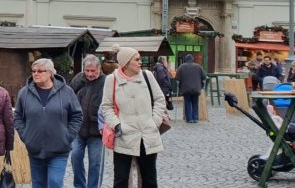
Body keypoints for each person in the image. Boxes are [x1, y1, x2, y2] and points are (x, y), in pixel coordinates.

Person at [101, 46, 167, 188]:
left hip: (147, 134)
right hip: (124, 135)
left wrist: (154, 121)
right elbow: (106, 107)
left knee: (149, 179)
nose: (140, 62)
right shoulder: (111, 80)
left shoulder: (147, 76)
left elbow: (160, 100)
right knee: (121, 180)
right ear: (125, 63)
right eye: (136, 60)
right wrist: (117, 125)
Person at [14, 58, 83, 188]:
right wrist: (26, 136)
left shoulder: (66, 92)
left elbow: (77, 115)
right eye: (33, 71)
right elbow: (17, 116)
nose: (35, 74)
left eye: (40, 71)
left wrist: (68, 136)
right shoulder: (24, 93)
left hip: (59, 149)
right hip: (35, 148)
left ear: (50, 73)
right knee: (38, 184)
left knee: (55, 183)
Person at [68, 55, 106, 188]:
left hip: (97, 131)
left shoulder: (106, 82)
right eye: (87, 70)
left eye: (92, 71)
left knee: (95, 163)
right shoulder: (79, 78)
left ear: (99, 69)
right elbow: (68, 97)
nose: (89, 74)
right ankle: (79, 185)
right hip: (79, 129)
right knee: (75, 157)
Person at [174, 54, 206, 124]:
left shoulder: (181, 67)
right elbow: (204, 78)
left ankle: (189, 119)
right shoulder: (198, 66)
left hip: (186, 89)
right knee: (195, 103)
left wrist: (179, 86)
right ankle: (195, 118)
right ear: (192, 59)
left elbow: (177, 79)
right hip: (196, 89)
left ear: (186, 59)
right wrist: (201, 86)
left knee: (187, 102)